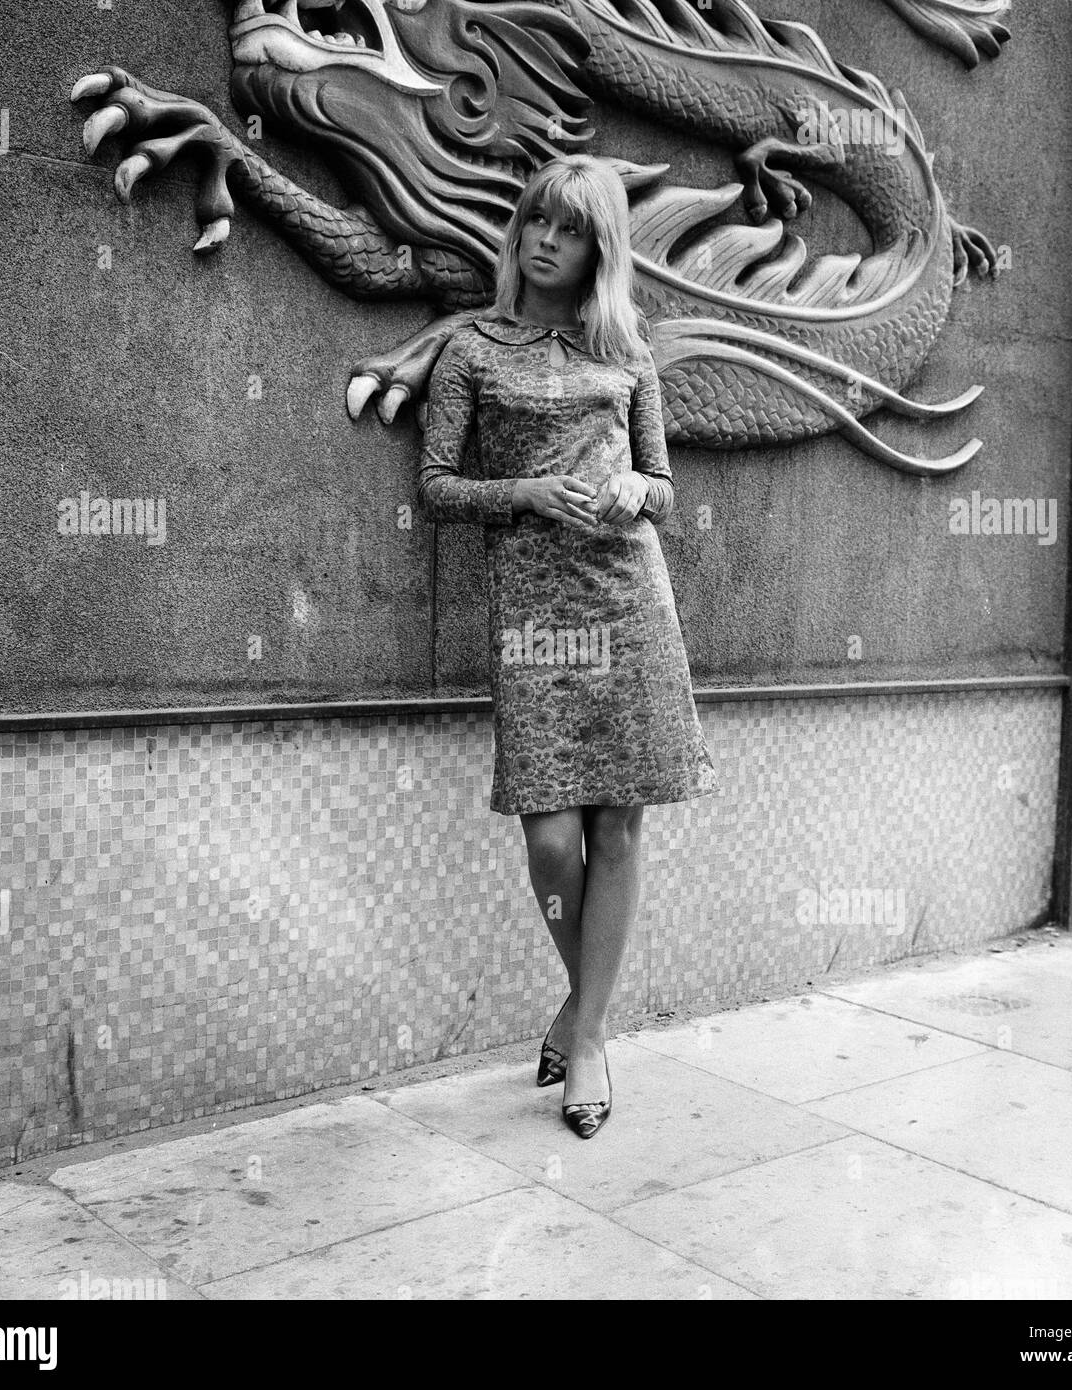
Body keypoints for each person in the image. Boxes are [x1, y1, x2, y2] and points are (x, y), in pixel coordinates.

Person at [416, 154, 718, 1139]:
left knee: (619, 830)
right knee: (551, 836)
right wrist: (529, 494)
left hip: (629, 597)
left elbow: (665, 490)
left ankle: (585, 1038)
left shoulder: (629, 353)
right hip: (537, 615)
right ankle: (584, 1005)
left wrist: (636, 491)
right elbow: (437, 486)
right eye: (535, 221)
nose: (545, 238)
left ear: (599, 248)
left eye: (569, 227)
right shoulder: (471, 349)